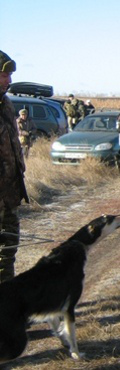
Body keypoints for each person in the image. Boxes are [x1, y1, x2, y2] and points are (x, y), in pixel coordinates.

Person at [0, 50, 29, 283]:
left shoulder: (7, 105)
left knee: (7, 251)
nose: (8, 80)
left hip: (9, 193)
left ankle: (5, 303)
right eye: (3, 75)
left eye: (9, 75)